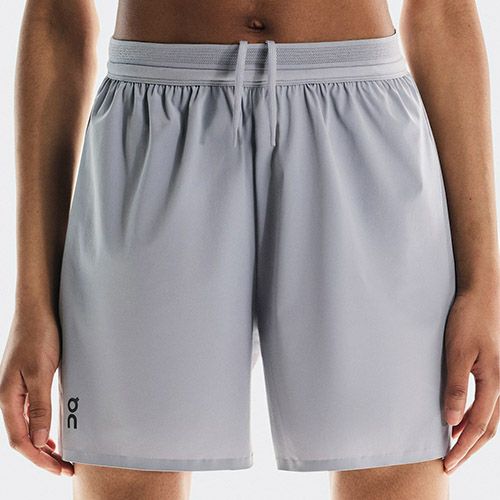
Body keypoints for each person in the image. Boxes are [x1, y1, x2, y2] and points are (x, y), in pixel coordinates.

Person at [0, 0, 498, 499]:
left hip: (360, 122)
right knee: (129, 478)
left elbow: (441, 13)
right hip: (153, 123)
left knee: (393, 470)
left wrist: (483, 287)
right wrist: (32, 304)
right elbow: (57, 18)